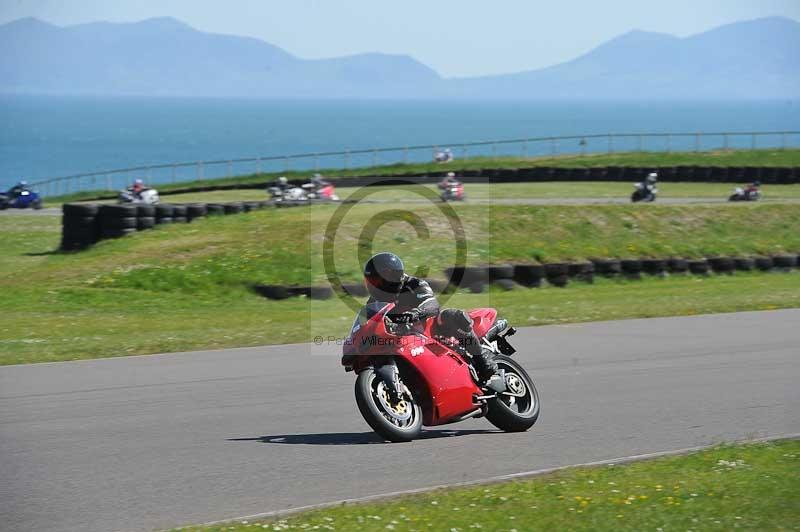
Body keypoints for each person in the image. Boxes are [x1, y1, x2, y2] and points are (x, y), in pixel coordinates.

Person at [363, 252, 498, 383]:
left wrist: (416, 313)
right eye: (372, 281)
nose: (376, 285)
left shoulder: (414, 284)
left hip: (431, 329)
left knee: (451, 316)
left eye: (379, 280)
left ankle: (481, 360)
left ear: (393, 275)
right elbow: (367, 323)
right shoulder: (374, 302)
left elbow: (432, 305)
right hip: (404, 339)